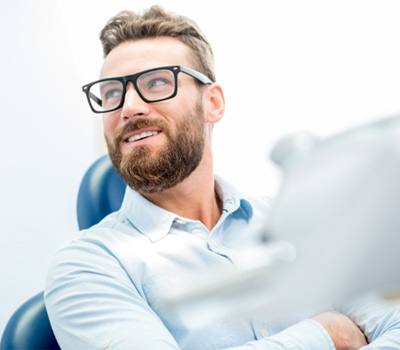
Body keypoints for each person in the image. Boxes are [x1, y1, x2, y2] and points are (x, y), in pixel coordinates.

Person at [45, 5, 400, 350]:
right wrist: (326, 335)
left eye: (156, 83)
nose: (129, 106)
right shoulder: (86, 267)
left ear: (213, 103)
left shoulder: (298, 227)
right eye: (111, 93)